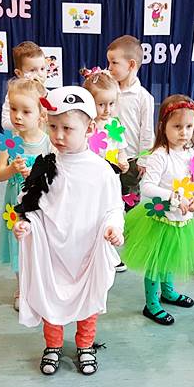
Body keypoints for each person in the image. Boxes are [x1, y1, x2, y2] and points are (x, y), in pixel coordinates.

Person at [12, 86, 124, 376]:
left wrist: (113, 228)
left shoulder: (102, 171)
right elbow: (32, 205)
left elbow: (113, 208)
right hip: (53, 252)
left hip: (87, 251)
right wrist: (25, 224)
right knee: (51, 298)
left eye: (67, 128)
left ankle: (85, 345)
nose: (58, 136)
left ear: (90, 128)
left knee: (89, 300)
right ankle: (53, 346)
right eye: (53, 127)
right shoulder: (45, 166)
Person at [122, 95, 194, 325]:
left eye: (189, 127)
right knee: (156, 262)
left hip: (181, 218)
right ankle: (151, 304)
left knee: (170, 256)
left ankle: (168, 292)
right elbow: (147, 187)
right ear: (163, 126)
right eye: (177, 126)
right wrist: (174, 197)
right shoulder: (159, 156)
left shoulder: (189, 153)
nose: (184, 132)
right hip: (161, 218)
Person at [0, 77, 49, 311]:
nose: (17, 116)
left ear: (41, 115)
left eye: (26, 111)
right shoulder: (10, 142)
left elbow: (56, 175)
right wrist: (11, 169)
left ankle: (41, 286)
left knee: (41, 246)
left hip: (41, 204)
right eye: (14, 109)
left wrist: (36, 175)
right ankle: (22, 287)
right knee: (19, 245)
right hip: (16, 206)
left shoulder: (48, 143)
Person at [82, 66, 130, 272]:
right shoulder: (85, 125)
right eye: (101, 104)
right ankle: (90, 254)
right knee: (90, 217)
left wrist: (123, 161)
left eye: (111, 104)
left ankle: (109, 253)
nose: (107, 109)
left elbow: (121, 149)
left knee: (109, 215)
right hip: (90, 181)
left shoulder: (114, 125)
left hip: (110, 181)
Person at [106, 35, 155, 210]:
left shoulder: (144, 97)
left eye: (114, 63)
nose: (109, 67)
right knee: (107, 196)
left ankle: (129, 225)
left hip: (131, 159)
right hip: (108, 155)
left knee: (129, 198)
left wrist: (144, 159)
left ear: (131, 65)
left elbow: (147, 131)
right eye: (109, 62)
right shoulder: (109, 90)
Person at [0, 41, 47, 130]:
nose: (40, 74)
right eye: (32, 70)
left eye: (42, 69)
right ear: (19, 73)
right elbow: (5, 123)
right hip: (21, 137)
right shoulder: (14, 95)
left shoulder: (49, 94)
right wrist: (28, 123)